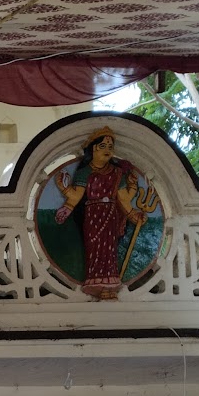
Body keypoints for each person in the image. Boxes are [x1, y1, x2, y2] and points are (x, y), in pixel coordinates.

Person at [52, 126, 147, 301]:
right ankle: (96, 284)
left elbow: (123, 199)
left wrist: (133, 193)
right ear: (92, 149)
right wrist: (63, 188)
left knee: (109, 251)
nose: (108, 150)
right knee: (95, 251)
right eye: (103, 146)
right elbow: (75, 197)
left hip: (110, 216)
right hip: (92, 217)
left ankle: (110, 287)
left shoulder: (117, 173)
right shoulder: (84, 172)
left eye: (110, 147)